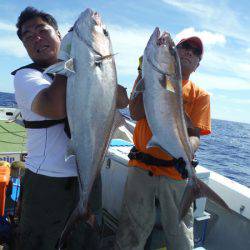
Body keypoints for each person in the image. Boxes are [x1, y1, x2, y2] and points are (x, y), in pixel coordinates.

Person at [12, 7, 128, 250]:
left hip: (89, 178)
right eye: (28, 36)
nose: (36, 38)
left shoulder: (80, 69)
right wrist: (69, 61)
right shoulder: (26, 77)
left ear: (59, 33)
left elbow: (120, 101)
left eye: (42, 30)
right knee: (38, 243)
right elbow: (55, 107)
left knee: (84, 243)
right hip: (47, 182)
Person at [115, 36, 211, 250]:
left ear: (197, 65)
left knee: (180, 236)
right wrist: (144, 73)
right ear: (174, 55)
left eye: (195, 52)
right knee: (131, 233)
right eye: (184, 47)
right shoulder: (147, 76)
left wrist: (185, 154)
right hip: (141, 168)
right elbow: (136, 113)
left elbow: (195, 135)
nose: (189, 52)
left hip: (176, 173)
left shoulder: (200, 95)